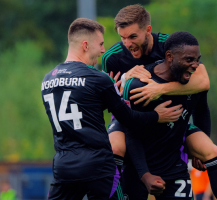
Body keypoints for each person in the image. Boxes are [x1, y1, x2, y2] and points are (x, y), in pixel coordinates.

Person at [41, 18, 183, 200]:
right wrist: (156, 116)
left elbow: (82, 107)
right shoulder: (98, 78)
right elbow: (129, 118)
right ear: (85, 45)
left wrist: (107, 96)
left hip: (64, 166)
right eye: (100, 44)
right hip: (98, 166)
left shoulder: (48, 79)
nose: (102, 50)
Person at [110, 31, 217, 200]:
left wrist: (198, 153)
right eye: (189, 60)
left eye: (198, 60)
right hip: (138, 166)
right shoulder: (140, 85)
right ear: (169, 56)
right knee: (115, 147)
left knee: (212, 150)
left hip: (173, 166)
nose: (196, 65)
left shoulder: (195, 82)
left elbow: (201, 110)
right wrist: (144, 174)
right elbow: (132, 133)